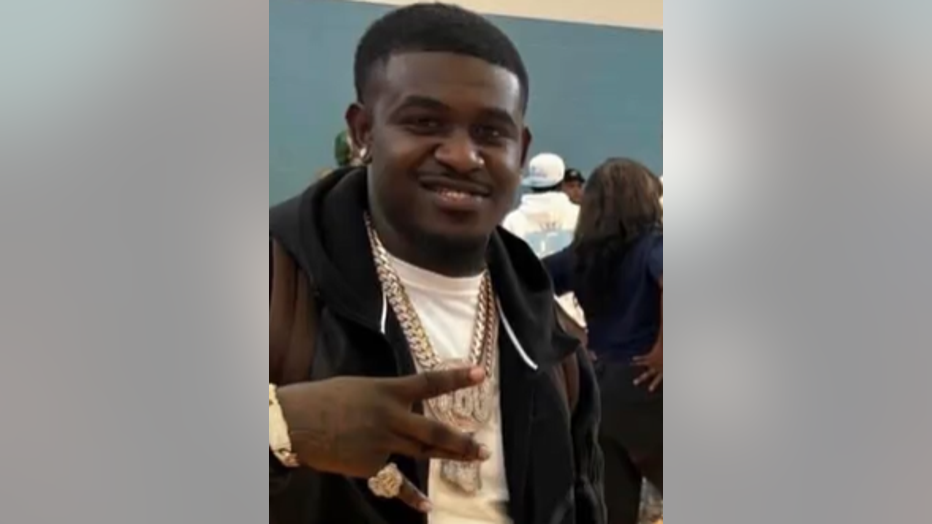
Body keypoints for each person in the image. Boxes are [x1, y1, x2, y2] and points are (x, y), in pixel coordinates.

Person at [269, 4, 605, 524]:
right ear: (363, 131)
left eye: (491, 132)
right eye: (425, 123)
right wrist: (281, 430)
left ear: (521, 150)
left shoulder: (552, 338)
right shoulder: (275, 284)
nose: (462, 156)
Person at [544, 158, 663, 524]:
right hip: (650, 384)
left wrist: (572, 336)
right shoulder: (654, 244)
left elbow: (529, 284)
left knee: (613, 510)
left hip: (598, 391)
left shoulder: (582, 255)